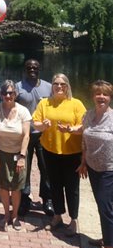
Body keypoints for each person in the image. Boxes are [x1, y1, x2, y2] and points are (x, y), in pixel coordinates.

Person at [33, 73, 86, 236]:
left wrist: (70, 129)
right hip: (50, 151)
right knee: (54, 184)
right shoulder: (45, 103)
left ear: (67, 86)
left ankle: (74, 219)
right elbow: (36, 123)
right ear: (52, 86)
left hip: (72, 152)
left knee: (72, 187)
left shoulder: (76, 104)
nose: (59, 87)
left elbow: (84, 127)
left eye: (63, 84)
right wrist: (43, 125)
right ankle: (57, 215)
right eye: (56, 84)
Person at [0, 80, 31, 231]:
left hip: (18, 154)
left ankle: (15, 216)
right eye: (5, 93)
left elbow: (26, 136)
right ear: (0, 94)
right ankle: (6, 215)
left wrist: (22, 157)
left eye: (11, 93)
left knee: (17, 187)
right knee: (4, 186)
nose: (8, 95)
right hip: (0, 154)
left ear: (16, 94)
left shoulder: (23, 111)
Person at [78, 80, 113, 248]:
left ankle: (109, 246)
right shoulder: (88, 115)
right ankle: (107, 236)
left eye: (105, 94)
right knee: (102, 205)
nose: (101, 97)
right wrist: (83, 162)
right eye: (98, 94)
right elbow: (84, 140)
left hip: (109, 169)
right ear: (93, 96)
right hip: (92, 167)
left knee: (106, 206)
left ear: (110, 97)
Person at [16, 59, 53, 216]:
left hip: (43, 135)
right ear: (25, 69)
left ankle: (48, 199)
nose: (32, 69)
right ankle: (25, 198)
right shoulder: (18, 87)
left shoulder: (49, 87)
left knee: (46, 168)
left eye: (35, 67)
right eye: (29, 67)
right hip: (24, 135)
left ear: (40, 69)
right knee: (24, 168)